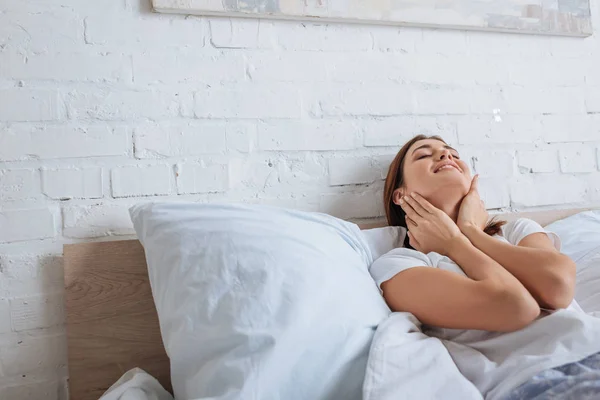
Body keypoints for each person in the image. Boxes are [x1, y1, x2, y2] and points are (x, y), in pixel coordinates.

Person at [369, 134, 600, 400]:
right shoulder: (399, 265)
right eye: (423, 155)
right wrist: (455, 245)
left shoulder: (516, 230)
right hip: (537, 379)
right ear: (400, 195)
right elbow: (516, 307)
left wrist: (471, 232)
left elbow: (559, 287)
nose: (446, 156)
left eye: (453, 153)